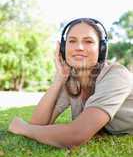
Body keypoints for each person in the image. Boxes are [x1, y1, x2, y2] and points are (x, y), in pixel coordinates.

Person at [8, 18, 133, 149]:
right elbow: (37, 123)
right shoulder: (71, 80)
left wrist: (23, 128)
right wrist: (59, 79)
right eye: (72, 41)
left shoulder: (116, 75)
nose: (79, 47)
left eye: (88, 41)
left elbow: (76, 135)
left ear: (101, 49)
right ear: (63, 48)